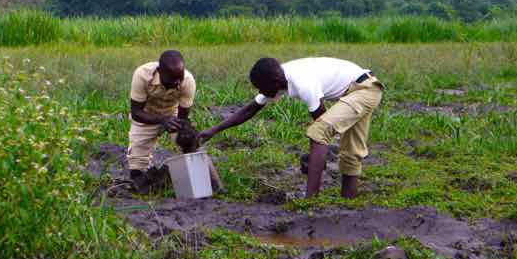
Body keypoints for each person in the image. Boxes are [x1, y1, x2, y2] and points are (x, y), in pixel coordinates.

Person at [199, 57, 384, 198]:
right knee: (351, 153)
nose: (261, 92)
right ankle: (348, 203)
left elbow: (321, 126)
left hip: (365, 90)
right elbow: (249, 110)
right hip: (356, 90)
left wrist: (315, 158)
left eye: (261, 88)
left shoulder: (302, 82)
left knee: (318, 132)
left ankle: (310, 200)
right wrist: (212, 131)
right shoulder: (279, 77)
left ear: (274, 81)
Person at [128, 50, 196, 193]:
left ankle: (194, 177)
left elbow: (182, 119)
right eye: (173, 79)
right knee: (136, 166)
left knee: (189, 140)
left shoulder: (188, 81)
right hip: (146, 114)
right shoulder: (142, 75)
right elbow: (136, 113)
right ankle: (144, 184)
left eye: (180, 78)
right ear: (160, 72)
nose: (178, 82)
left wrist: (184, 135)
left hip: (173, 113)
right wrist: (162, 120)